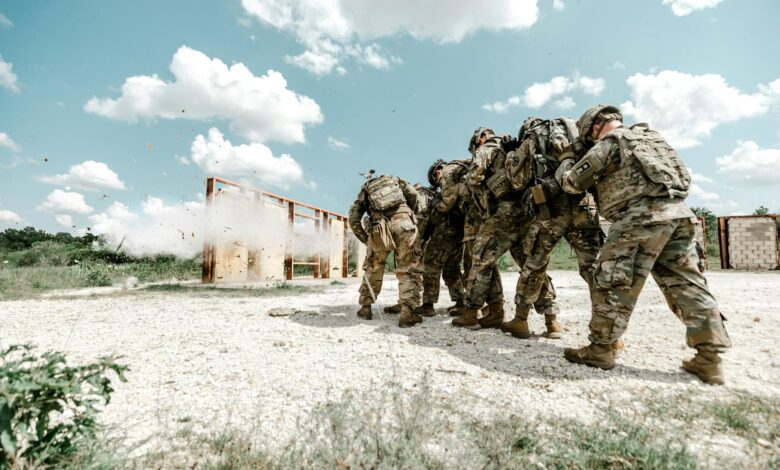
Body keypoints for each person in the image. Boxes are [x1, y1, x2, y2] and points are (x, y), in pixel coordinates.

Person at [559, 104, 731, 385]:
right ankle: (709, 359)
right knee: (688, 286)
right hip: (680, 215)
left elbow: (572, 183)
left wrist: (567, 159)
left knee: (613, 281)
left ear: (593, 127)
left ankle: (601, 350)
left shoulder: (610, 143)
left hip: (640, 218)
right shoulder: (654, 139)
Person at [501, 117, 603, 340]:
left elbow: (517, 180)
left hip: (551, 209)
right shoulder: (576, 132)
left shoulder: (533, 137)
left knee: (535, 265)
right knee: (594, 269)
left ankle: (521, 320)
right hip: (583, 206)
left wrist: (512, 154)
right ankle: (608, 333)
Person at [455, 128, 555, 330]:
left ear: (480, 138)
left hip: (502, 215)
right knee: (531, 266)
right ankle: (551, 321)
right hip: (527, 215)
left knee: (481, 261)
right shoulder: (518, 148)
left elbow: (473, 179)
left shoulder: (486, 149)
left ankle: (470, 314)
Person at [348, 172, 425, 328]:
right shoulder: (397, 180)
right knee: (408, 269)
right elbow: (414, 195)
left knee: (373, 268)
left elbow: (353, 219)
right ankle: (407, 313)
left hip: (378, 229)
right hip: (404, 225)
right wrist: (412, 213)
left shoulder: (366, 189)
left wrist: (366, 239)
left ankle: (365, 308)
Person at [417, 160, 467, 316]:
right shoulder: (459, 178)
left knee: (431, 264)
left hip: (445, 231)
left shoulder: (447, 176)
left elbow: (442, 207)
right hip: (459, 231)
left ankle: (428, 305)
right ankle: (461, 303)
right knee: (451, 268)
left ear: (437, 172)